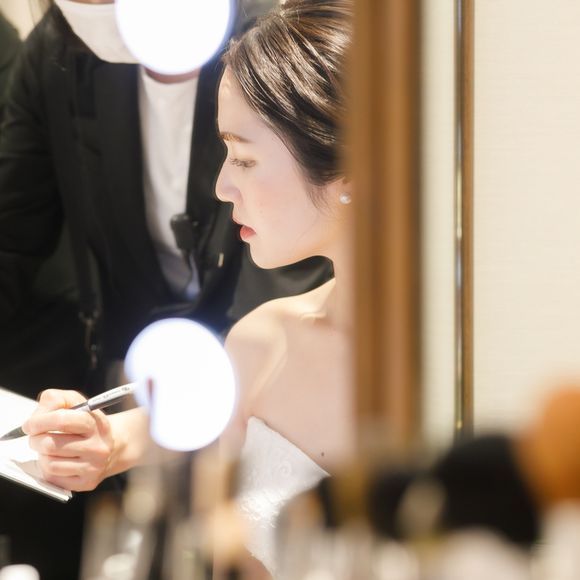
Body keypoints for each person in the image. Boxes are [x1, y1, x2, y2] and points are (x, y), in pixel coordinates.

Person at [0, 1, 331, 577]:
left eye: (242, 158)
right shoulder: (59, 52)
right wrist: (113, 438)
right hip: (140, 393)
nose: (224, 185)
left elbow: (268, 356)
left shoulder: (267, 56)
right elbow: (10, 233)